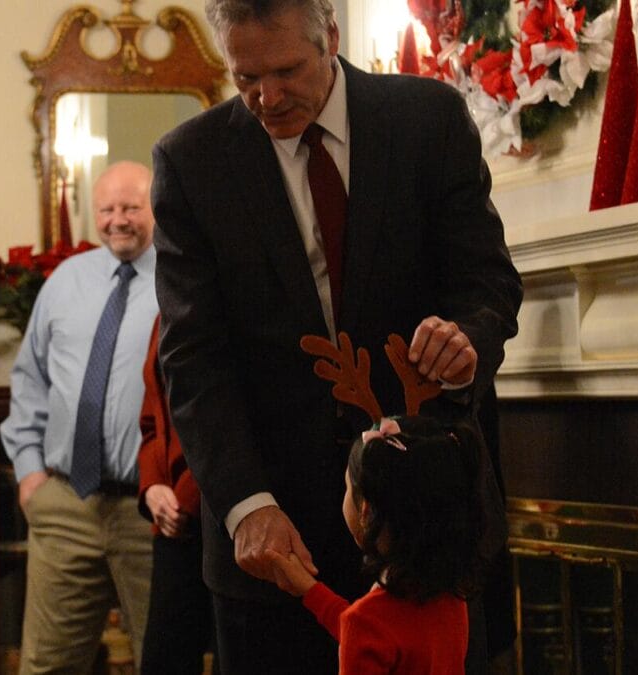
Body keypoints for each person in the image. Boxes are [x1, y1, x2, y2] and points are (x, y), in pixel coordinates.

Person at [150, 0, 524, 672]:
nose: (267, 97)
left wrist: (467, 341)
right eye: (245, 79)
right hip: (277, 545)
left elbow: (487, 282)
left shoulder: (427, 120)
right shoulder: (191, 163)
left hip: (429, 528)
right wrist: (245, 504)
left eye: (287, 70)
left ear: (332, 36)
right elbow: (193, 358)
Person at [1, 160, 160, 673]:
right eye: (107, 209)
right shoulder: (66, 281)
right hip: (65, 504)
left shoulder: (184, 279)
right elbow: (30, 379)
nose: (119, 219)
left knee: (162, 661)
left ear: (156, 208)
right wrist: (30, 476)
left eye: (132, 207)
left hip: (151, 515)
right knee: (47, 665)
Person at [269, 416, 485, 673]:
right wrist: (309, 590)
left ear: (365, 510)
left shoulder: (367, 621)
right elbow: (375, 634)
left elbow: (367, 632)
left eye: (347, 487)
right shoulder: (452, 595)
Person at [137, 316, 216, 674]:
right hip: (172, 521)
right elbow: (152, 417)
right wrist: (152, 486)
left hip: (220, 513)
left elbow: (227, 416)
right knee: (164, 660)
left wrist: (186, 498)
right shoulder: (167, 307)